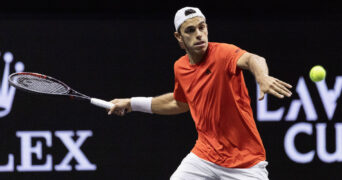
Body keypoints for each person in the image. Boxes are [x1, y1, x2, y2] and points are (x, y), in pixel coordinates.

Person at [108, 7, 292, 180]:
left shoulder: (223, 54)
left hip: (245, 160)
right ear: (179, 37)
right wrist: (132, 103)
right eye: (190, 30)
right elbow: (180, 103)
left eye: (202, 28)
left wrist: (262, 77)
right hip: (205, 155)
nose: (198, 35)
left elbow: (254, 59)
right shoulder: (180, 67)